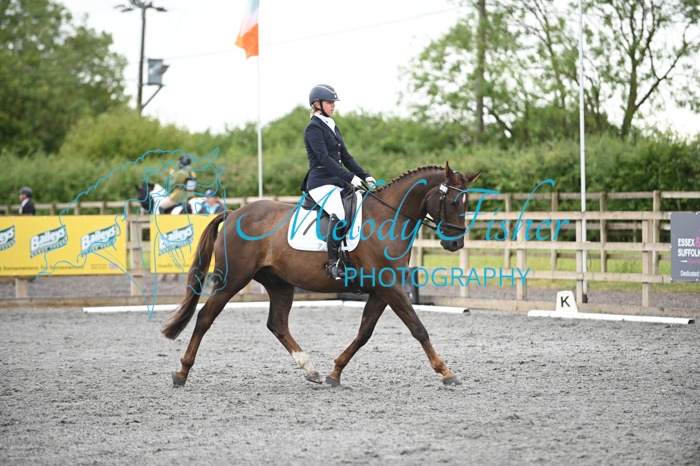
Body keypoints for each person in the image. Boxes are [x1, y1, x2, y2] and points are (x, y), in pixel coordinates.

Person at [301, 84, 376, 280]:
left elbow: (346, 157)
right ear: (317, 104)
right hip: (320, 183)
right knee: (340, 213)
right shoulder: (313, 128)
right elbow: (325, 158)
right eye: (329, 102)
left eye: (334, 102)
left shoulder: (332, 125)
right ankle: (333, 263)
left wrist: (365, 175)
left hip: (337, 183)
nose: (333, 105)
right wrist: (350, 177)